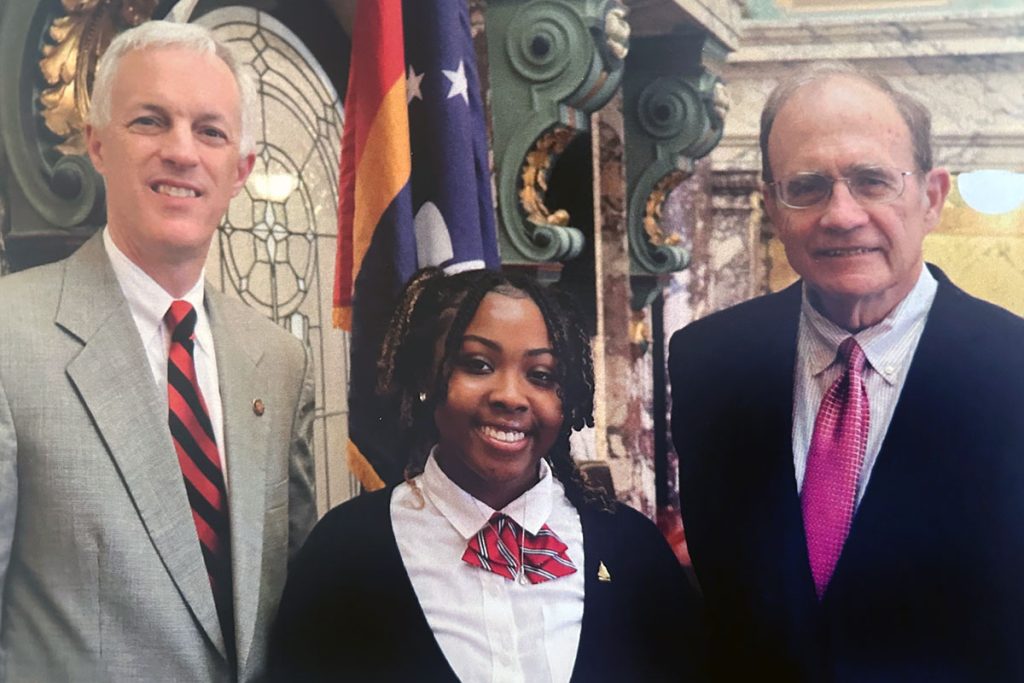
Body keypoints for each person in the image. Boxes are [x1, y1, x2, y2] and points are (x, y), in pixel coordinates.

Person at [669, 61, 1024, 682]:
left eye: (871, 181)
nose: (840, 214)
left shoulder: (1013, 367)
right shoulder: (709, 361)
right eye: (806, 186)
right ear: (772, 207)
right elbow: (730, 603)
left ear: (931, 197)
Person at [0, 21, 316, 682]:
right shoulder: (10, 335)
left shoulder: (279, 362)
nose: (181, 151)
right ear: (97, 143)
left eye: (210, 131)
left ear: (241, 170)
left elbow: (290, 608)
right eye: (150, 121)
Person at [270, 268, 704, 682]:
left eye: (540, 375)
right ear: (427, 377)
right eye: (478, 365)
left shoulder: (633, 551)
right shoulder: (345, 553)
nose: (510, 397)